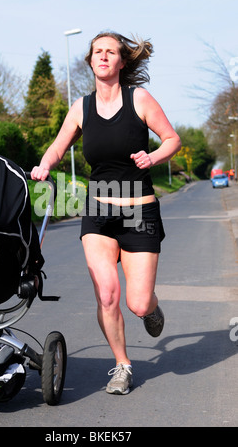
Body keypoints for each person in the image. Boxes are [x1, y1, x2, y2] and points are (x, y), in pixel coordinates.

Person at [31, 31, 181, 395]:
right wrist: (44, 165)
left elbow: (172, 139)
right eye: (97, 51)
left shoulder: (139, 99)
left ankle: (151, 310)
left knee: (137, 301)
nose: (103, 56)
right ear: (91, 61)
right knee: (108, 295)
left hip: (138, 211)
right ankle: (122, 365)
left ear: (121, 61)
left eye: (110, 51)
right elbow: (57, 146)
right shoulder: (81, 107)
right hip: (98, 210)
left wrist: (154, 156)